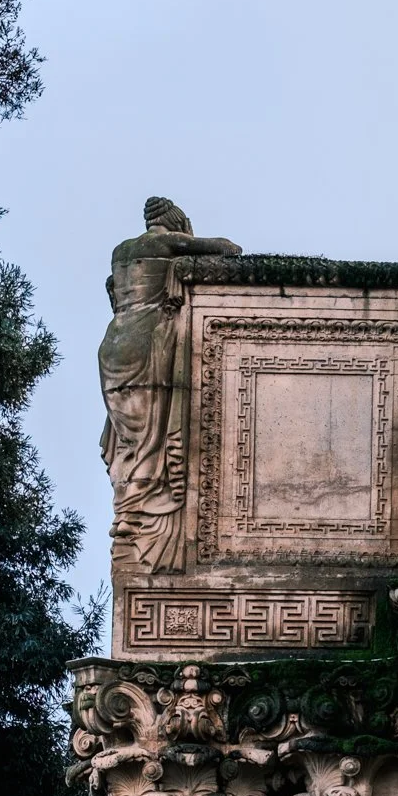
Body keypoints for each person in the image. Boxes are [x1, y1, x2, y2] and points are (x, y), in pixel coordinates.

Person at [97, 197, 241, 570]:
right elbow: (228, 249)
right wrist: (185, 246)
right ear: (174, 222)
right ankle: (134, 516)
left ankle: (124, 509)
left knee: (129, 440)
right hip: (147, 343)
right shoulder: (163, 243)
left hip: (113, 344)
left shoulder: (121, 251)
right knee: (150, 442)